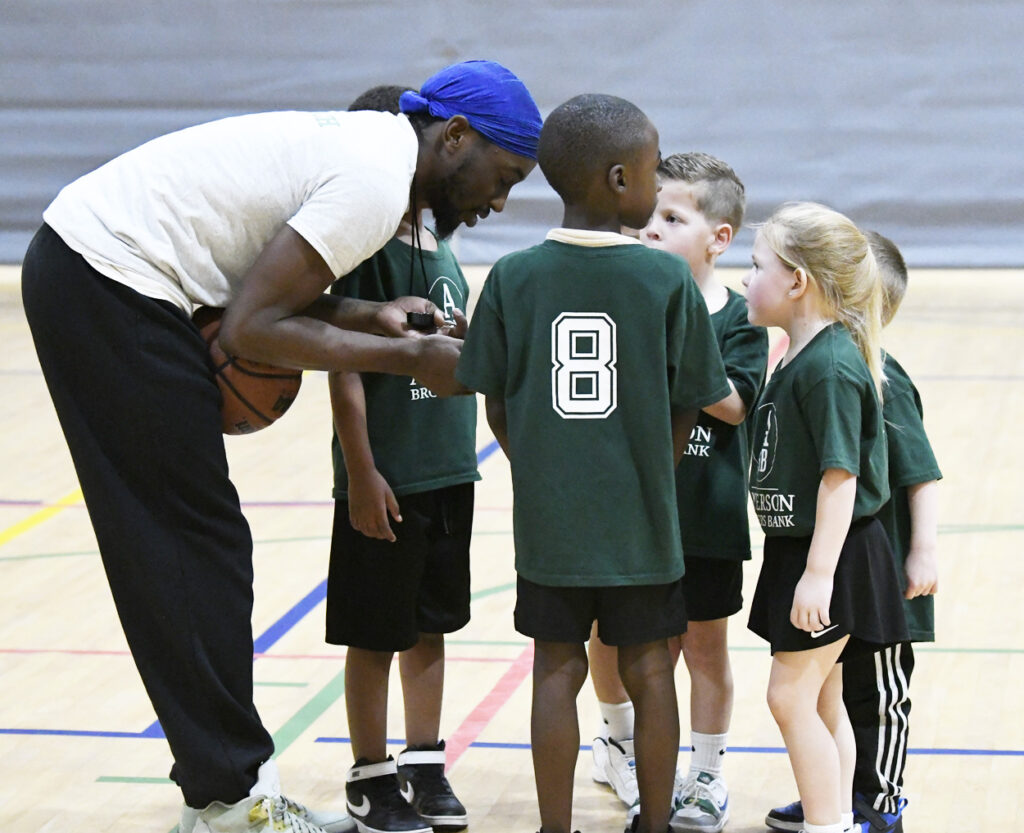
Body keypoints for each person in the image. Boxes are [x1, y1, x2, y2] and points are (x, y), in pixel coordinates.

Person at [19, 60, 540, 833]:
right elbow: (251, 328)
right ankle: (230, 800)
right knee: (189, 542)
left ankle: (223, 792)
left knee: (195, 542)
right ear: (456, 137)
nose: (499, 201)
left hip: (99, 270)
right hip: (109, 278)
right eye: (505, 177)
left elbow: (268, 293)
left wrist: (367, 316)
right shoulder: (375, 182)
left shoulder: (374, 152)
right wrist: (407, 356)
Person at [456, 94, 732, 833]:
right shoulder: (667, 281)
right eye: (650, 167)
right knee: (649, 665)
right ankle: (655, 825)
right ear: (618, 179)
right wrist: (655, 465)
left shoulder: (512, 276)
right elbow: (692, 398)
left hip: (551, 518)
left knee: (556, 665)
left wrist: (537, 463)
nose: (655, 180)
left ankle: (555, 827)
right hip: (642, 515)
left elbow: (494, 398)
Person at [586, 152, 768, 833]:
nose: (651, 228)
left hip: (706, 516)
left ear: (719, 238)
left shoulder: (741, 317)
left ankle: (708, 773)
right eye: (649, 215)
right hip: (629, 510)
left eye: (672, 217)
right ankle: (622, 746)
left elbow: (736, 405)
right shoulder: (623, 302)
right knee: (625, 643)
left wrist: (675, 347)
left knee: (703, 649)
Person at [325, 85, 478, 833]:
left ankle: (424, 762)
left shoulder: (440, 243)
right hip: (386, 474)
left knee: (430, 625)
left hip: (448, 467)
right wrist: (360, 471)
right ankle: (370, 775)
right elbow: (342, 364)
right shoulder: (360, 248)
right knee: (374, 634)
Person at [764, 231, 941, 833]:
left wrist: (922, 551)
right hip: (830, 554)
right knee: (830, 693)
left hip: (870, 562)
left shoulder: (873, 375)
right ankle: (837, 802)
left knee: (874, 693)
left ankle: (878, 802)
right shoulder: (816, 362)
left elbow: (919, 473)